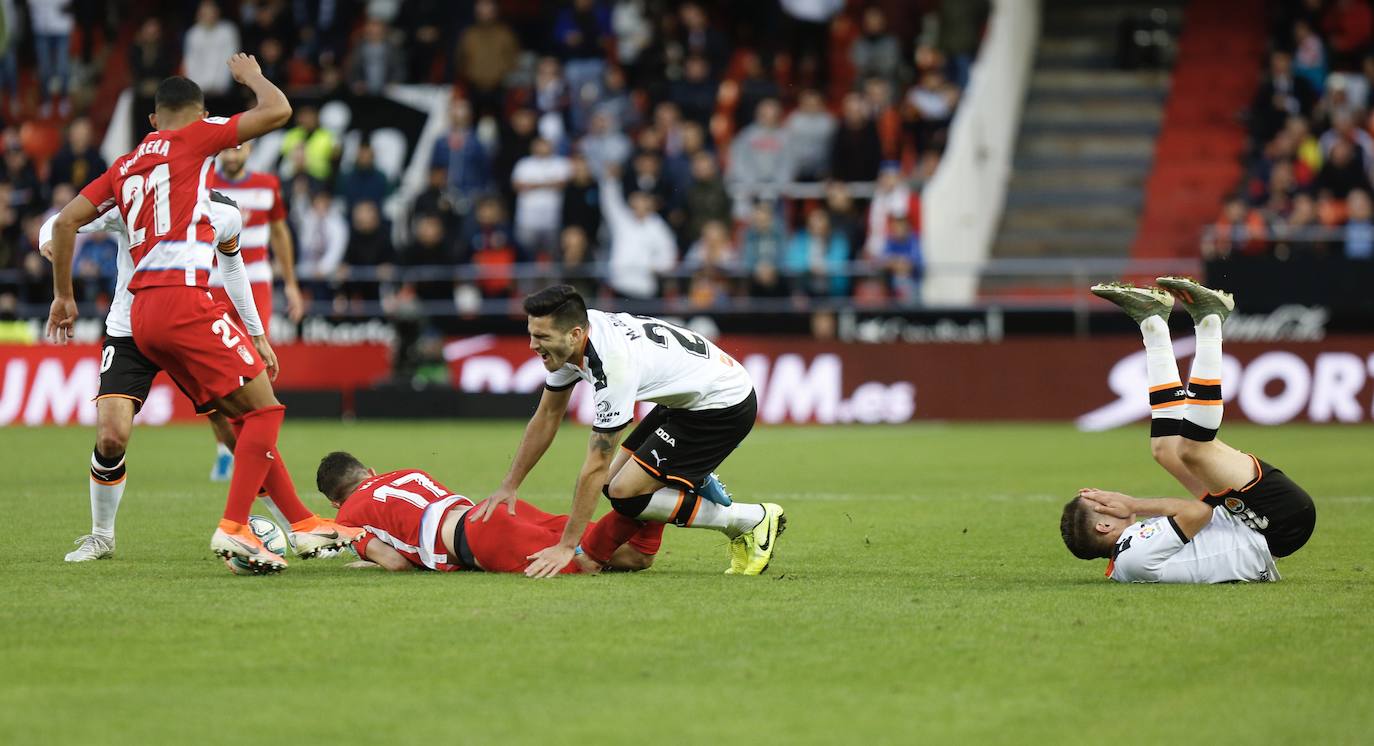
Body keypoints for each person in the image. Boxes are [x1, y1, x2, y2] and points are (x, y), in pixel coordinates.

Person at [45, 56, 361, 573]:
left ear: (153, 118)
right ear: (202, 116)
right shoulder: (196, 139)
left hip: (141, 312)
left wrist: (63, 296)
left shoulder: (124, 167)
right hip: (181, 301)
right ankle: (235, 528)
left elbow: (62, 224)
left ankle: (302, 524)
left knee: (243, 416)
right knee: (265, 411)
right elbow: (278, 110)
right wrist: (251, 76)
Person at [39, 195, 293, 561]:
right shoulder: (133, 197)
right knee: (111, 436)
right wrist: (48, 241)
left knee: (236, 434)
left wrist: (256, 333)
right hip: (129, 329)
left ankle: (297, 528)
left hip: (188, 330)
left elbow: (233, 268)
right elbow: (61, 221)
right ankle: (101, 536)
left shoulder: (222, 211)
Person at [472, 285, 786, 578]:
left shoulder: (612, 366)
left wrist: (567, 546)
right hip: (686, 398)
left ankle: (750, 519)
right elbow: (547, 416)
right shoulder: (573, 337)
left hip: (722, 406)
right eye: (531, 334)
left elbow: (594, 464)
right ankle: (681, 486)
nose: (531, 345)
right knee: (614, 484)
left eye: (540, 336)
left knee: (624, 492)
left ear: (575, 334)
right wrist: (509, 485)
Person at [1060, 279, 1317, 583]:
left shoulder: (1128, 556)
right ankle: (1210, 321)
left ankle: (1152, 322)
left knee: (1164, 450)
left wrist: (1130, 506)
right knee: (1191, 450)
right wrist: (1133, 504)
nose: (1111, 497)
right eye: (1104, 503)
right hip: (1277, 524)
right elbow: (1199, 513)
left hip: (1249, 521)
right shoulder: (1133, 554)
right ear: (1103, 527)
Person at [317, 452, 661, 574]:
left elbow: (397, 562)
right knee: (633, 557)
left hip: (483, 539)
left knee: (587, 564)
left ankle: (653, 481)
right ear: (370, 471)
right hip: (494, 511)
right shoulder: (405, 473)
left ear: (335, 502)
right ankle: (656, 489)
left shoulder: (346, 517)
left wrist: (365, 553)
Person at [206, 141, 307, 479]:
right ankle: (225, 449)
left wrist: (291, 283)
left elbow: (280, 233)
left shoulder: (268, 185)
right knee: (212, 372)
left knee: (253, 366)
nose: (232, 155)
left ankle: (257, 448)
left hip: (257, 284)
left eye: (239, 149)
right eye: (227, 150)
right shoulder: (204, 183)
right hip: (214, 283)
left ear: (249, 149)